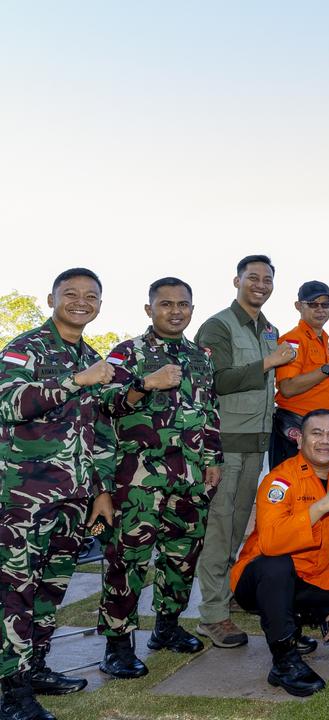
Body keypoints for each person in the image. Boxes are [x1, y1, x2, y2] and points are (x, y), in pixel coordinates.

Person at [0, 268, 116, 719]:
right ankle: (12, 690)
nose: (81, 301)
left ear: (100, 305)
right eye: (70, 294)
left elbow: (101, 431)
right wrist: (75, 381)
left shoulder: (91, 354)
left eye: (91, 296)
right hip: (23, 498)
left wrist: (102, 492)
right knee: (15, 593)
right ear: (52, 300)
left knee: (51, 588)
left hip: (73, 500)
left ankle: (37, 667)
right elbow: (7, 402)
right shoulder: (25, 348)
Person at [96, 278, 220, 680]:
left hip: (189, 479)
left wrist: (213, 460)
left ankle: (166, 628)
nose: (175, 311)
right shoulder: (127, 353)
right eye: (165, 304)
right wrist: (145, 383)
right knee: (127, 561)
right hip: (139, 483)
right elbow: (106, 405)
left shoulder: (201, 355)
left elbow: (210, 410)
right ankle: (117, 646)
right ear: (149, 309)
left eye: (183, 304)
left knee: (182, 558)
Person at [230, 409, 329, 698]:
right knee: (276, 565)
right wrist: (323, 506)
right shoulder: (279, 480)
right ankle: (284, 662)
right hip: (258, 578)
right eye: (316, 433)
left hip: (311, 575)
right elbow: (271, 544)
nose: (325, 441)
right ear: (299, 439)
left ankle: (294, 620)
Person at [193, 254, 294, 649]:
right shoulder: (218, 326)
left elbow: (267, 388)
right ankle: (213, 616)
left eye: (268, 279)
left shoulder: (269, 328)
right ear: (237, 280)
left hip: (256, 442)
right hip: (226, 444)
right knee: (219, 528)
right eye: (253, 277)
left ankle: (227, 592)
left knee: (239, 526)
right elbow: (214, 381)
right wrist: (268, 361)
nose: (261, 284)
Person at [272, 281, 329, 470]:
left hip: (318, 431)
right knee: (291, 489)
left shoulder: (323, 340)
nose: (320, 309)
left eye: (325, 305)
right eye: (313, 304)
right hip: (295, 430)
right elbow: (287, 388)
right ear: (299, 306)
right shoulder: (293, 340)